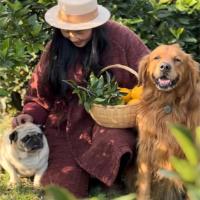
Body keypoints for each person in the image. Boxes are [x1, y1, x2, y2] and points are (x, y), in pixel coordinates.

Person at [12, 0, 149, 198]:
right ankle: (84, 173)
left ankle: (109, 175)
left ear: (95, 25)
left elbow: (149, 70)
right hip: (65, 123)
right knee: (62, 187)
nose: (72, 36)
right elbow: (40, 95)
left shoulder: (121, 37)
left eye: (79, 31)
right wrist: (30, 115)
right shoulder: (56, 47)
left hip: (111, 119)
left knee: (115, 142)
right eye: (66, 30)